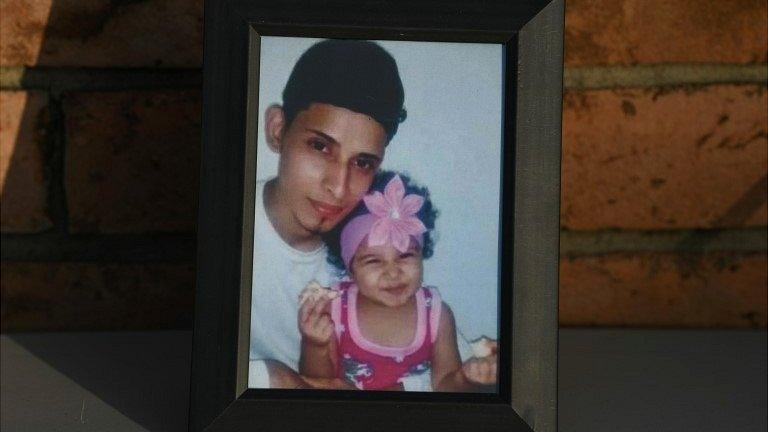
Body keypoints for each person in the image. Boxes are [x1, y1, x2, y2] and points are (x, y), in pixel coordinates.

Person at [248, 39, 408, 389]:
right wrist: (274, 378)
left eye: (362, 163)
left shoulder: (371, 258)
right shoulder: (225, 220)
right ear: (277, 130)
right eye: (320, 146)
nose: (338, 186)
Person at [298, 173, 497, 391]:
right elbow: (318, 383)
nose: (393, 273)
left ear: (421, 255)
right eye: (373, 261)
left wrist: (465, 378)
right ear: (351, 269)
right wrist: (315, 344)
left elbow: (444, 384)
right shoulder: (333, 309)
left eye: (405, 256)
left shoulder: (437, 314)